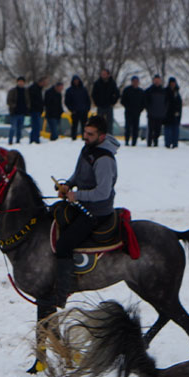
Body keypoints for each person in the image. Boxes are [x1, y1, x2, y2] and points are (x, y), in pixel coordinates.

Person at [45, 113, 119, 323]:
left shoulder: (104, 159)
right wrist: (68, 185)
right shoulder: (87, 149)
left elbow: (103, 193)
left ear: (102, 136)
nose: (84, 136)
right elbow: (78, 175)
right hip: (80, 204)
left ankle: (63, 291)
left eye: (90, 134)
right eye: (85, 132)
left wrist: (77, 195)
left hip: (96, 212)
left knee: (64, 244)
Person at [6, 76, 32, 145]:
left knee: (20, 128)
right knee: (13, 127)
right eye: (19, 81)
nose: (21, 83)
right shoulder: (12, 91)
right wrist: (13, 106)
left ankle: (18, 140)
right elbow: (9, 101)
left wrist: (27, 107)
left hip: (22, 112)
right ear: (17, 82)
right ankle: (10, 141)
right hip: (14, 112)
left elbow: (28, 101)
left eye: (22, 82)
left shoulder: (26, 91)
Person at [120, 75, 144, 146]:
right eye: (134, 81)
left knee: (135, 128)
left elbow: (143, 102)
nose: (135, 83)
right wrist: (128, 107)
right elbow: (123, 101)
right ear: (132, 82)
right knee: (127, 127)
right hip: (128, 112)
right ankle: (127, 141)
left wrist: (140, 109)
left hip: (137, 112)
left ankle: (134, 142)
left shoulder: (141, 91)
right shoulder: (127, 90)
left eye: (137, 81)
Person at [65, 75, 91, 140]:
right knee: (74, 125)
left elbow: (88, 100)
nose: (76, 82)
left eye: (77, 80)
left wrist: (87, 109)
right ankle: (73, 138)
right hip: (75, 112)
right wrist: (72, 109)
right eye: (75, 81)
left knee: (84, 126)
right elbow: (67, 102)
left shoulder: (83, 89)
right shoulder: (69, 90)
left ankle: (84, 137)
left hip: (84, 111)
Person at [143, 75, 166, 147]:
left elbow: (166, 103)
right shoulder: (149, 90)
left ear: (160, 81)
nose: (157, 81)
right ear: (153, 81)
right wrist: (149, 110)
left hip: (160, 114)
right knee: (150, 130)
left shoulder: (163, 91)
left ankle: (156, 143)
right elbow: (145, 102)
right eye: (156, 80)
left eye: (158, 80)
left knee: (158, 131)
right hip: (151, 114)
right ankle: (149, 143)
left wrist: (164, 111)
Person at [163, 77, 182, 149]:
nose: (173, 84)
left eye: (174, 83)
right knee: (168, 130)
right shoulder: (165, 91)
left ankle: (175, 144)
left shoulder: (177, 92)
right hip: (167, 114)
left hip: (176, 114)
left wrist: (178, 113)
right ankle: (167, 143)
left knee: (175, 130)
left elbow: (179, 104)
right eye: (171, 83)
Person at [27, 76, 46, 143]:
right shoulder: (34, 89)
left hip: (38, 110)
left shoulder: (39, 89)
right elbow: (33, 100)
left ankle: (35, 138)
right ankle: (34, 139)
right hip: (34, 110)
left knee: (37, 126)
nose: (44, 84)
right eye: (43, 82)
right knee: (35, 126)